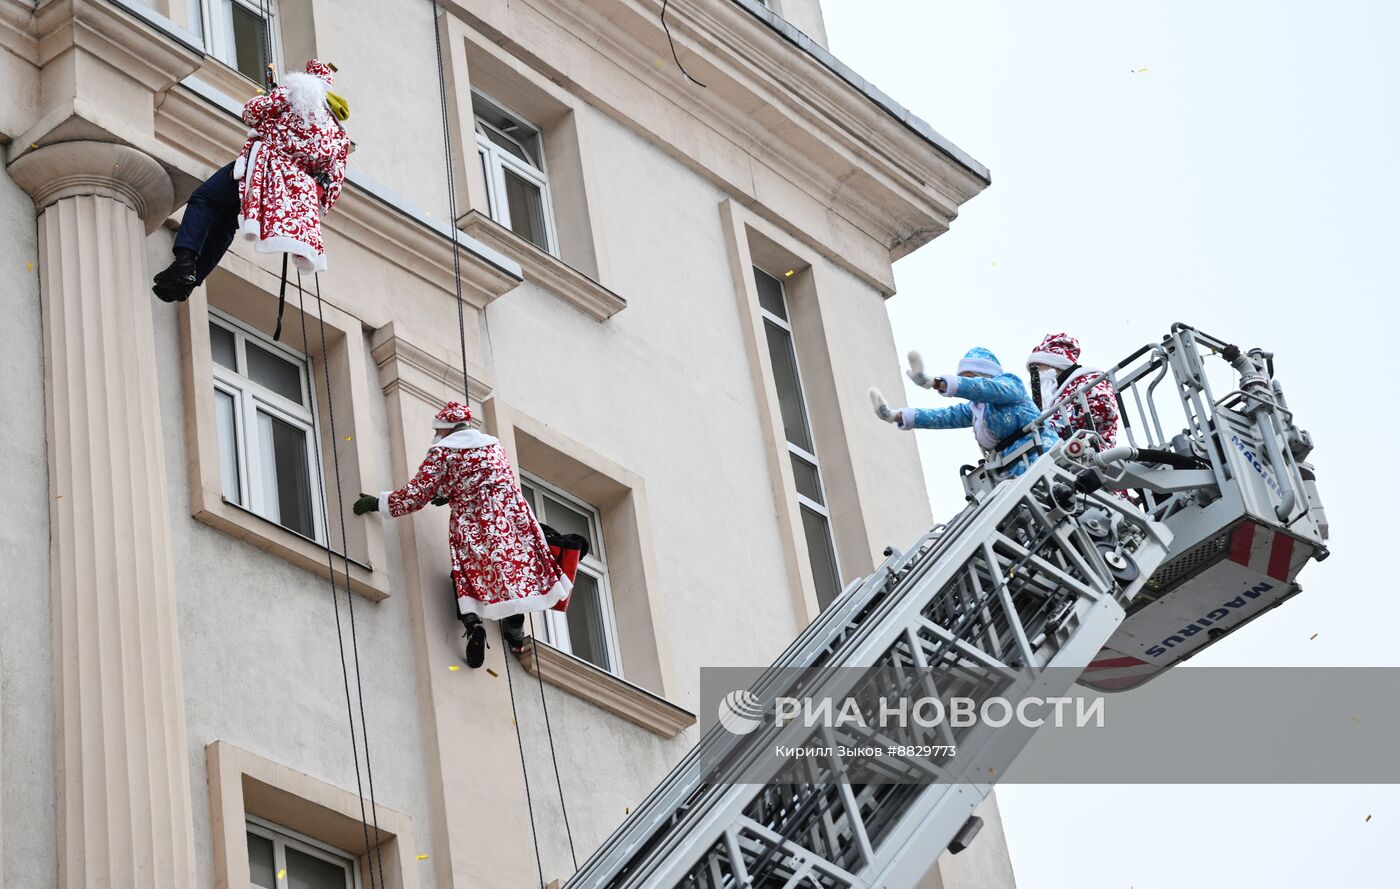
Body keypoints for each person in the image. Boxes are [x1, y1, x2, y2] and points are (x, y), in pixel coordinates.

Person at [352, 402, 570, 668]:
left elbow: (416, 495)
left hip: (473, 523)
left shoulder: (443, 453)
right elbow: (495, 480)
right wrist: (450, 492)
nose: (436, 436)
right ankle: (515, 632)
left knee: (468, 573)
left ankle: (474, 623)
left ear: (447, 429)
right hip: (510, 521)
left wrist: (379, 503)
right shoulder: (493, 446)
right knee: (512, 572)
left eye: (438, 431)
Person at [152, 59, 351, 303]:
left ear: (306, 78)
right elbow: (333, 184)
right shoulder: (339, 133)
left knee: (204, 199)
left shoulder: (293, 93)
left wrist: (275, 96)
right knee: (226, 220)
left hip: (264, 169)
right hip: (288, 189)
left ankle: (185, 264)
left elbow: (251, 113)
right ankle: (192, 278)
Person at [869, 346, 1057, 477]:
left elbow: (984, 388)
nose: (968, 387)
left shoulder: (1011, 386)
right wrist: (897, 416)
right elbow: (943, 416)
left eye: (970, 378)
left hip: (1042, 456)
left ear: (985, 375)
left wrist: (936, 383)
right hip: (1012, 469)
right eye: (963, 379)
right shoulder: (976, 409)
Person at [1026, 332, 1119, 447]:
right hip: (1068, 452)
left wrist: (1050, 427)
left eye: (1037, 367)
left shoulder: (1088, 379)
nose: (1036, 375)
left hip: (1092, 449)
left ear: (1053, 363)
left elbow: (1103, 409)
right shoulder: (1059, 392)